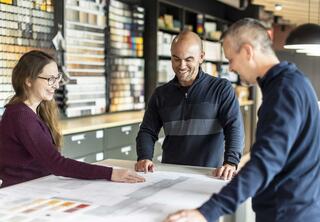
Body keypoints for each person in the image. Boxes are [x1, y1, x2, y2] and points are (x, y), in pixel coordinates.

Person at [165, 18, 320, 222]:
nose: (230, 68)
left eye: (231, 59)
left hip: (287, 213)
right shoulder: (291, 82)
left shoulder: (283, 91)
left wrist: (207, 212)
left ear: (247, 51)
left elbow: (266, 161)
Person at [0, 50, 145, 188]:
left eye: (57, 78)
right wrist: (111, 173)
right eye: (50, 79)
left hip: (35, 188)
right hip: (21, 194)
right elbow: (56, 164)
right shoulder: (21, 116)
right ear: (28, 80)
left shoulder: (30, 112)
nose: (56, 85)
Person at [135, 30, 244, 180]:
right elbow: (147, 130)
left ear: (201, 57)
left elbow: (234, 127)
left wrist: (231, 162)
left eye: (189, 59)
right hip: (170, 173)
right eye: (176, 59)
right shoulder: (161, 94)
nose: (182, 65)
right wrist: (144, 157)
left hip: (209, 175)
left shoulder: (221, 89)